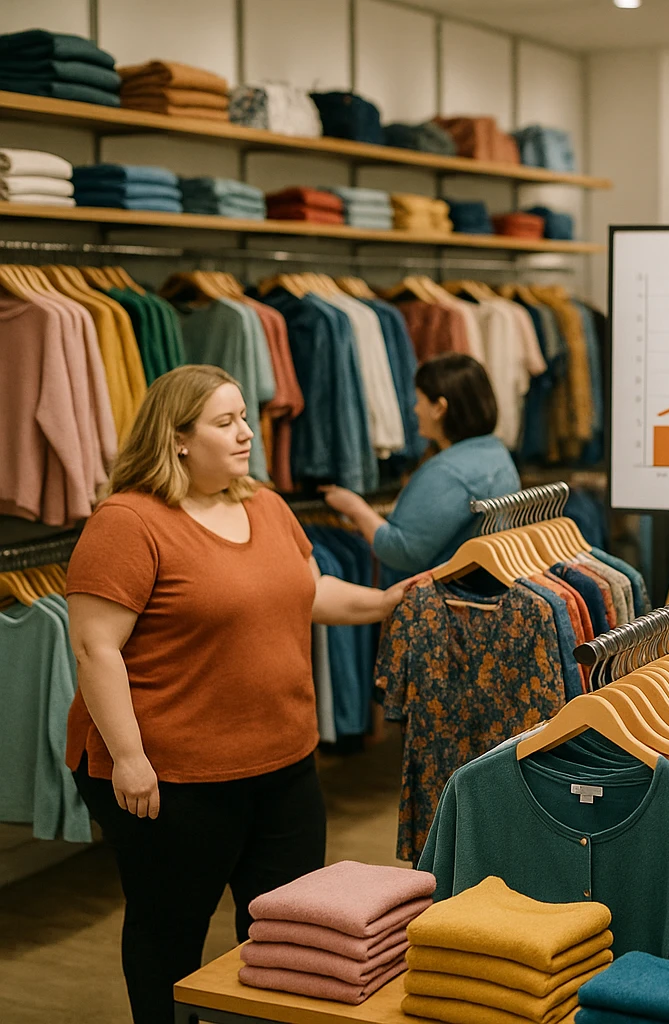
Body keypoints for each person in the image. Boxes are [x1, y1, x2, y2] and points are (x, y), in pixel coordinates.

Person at [65, 365, 428, 1024]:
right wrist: (128, 757)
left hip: (284, 763)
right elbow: (95, 648)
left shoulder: (264, 503)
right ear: (177, 438)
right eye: (225, 423)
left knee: (288, 932)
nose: (245, 437)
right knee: (169, 931)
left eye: (245, 420)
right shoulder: (129, 522)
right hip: (174, 776)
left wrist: (383, 602)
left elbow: (308, 590)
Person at [321, 353, 520, 574]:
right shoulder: (495, 453)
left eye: (419, 400)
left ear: (439, 408)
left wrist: (355, 509)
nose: (415, 410)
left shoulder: (447, 472)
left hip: (435, 602)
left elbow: (401, 552)